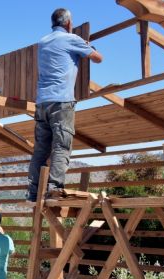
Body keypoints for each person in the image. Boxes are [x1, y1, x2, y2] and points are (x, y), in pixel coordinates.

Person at [27, 8, 103, 202]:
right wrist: (88, 46)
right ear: (69, 24)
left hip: (42, 102)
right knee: (61, 145)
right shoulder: (72, 39)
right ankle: (53, 188)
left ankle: (34, 193)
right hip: (61, 102)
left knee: (41, 149)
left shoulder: (43, 42)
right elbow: (98, 59)